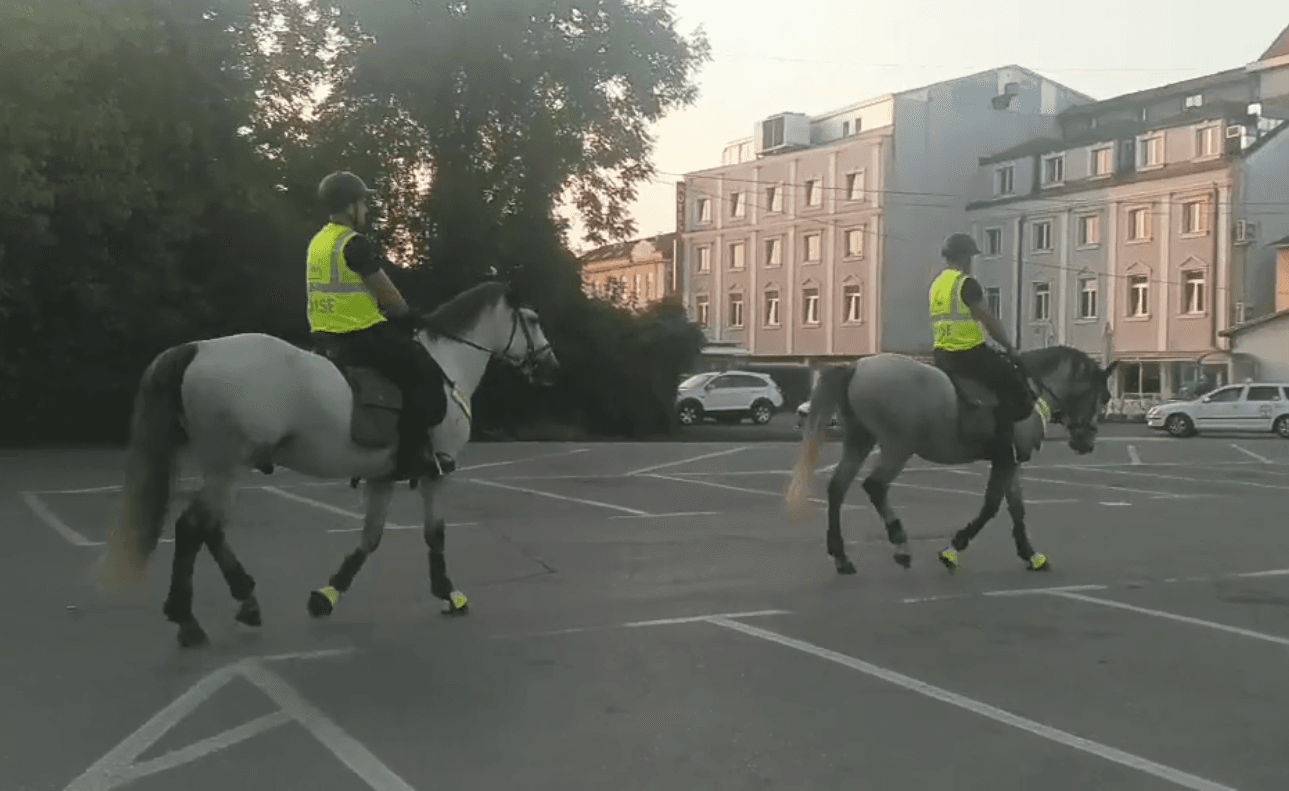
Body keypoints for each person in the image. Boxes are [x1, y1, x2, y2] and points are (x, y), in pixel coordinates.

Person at [306, 170, 453, 480]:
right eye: (362, 202)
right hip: (359, 334)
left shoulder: (319, 242)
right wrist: (408, 314)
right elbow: (390, 297)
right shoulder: (353, 243)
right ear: (350, 207)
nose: (366, 209)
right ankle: (412, 456)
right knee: (424, 372)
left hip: (323, 335)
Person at [928, 232, 1033, 465]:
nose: (971, 262)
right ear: (965, 257)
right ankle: (1002, 448)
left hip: (941, 354)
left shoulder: (937, 284)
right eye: (970, 257)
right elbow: (988, 320)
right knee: (1011, 383)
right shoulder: (965, 283)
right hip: (968, 353)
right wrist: (1009, 347)